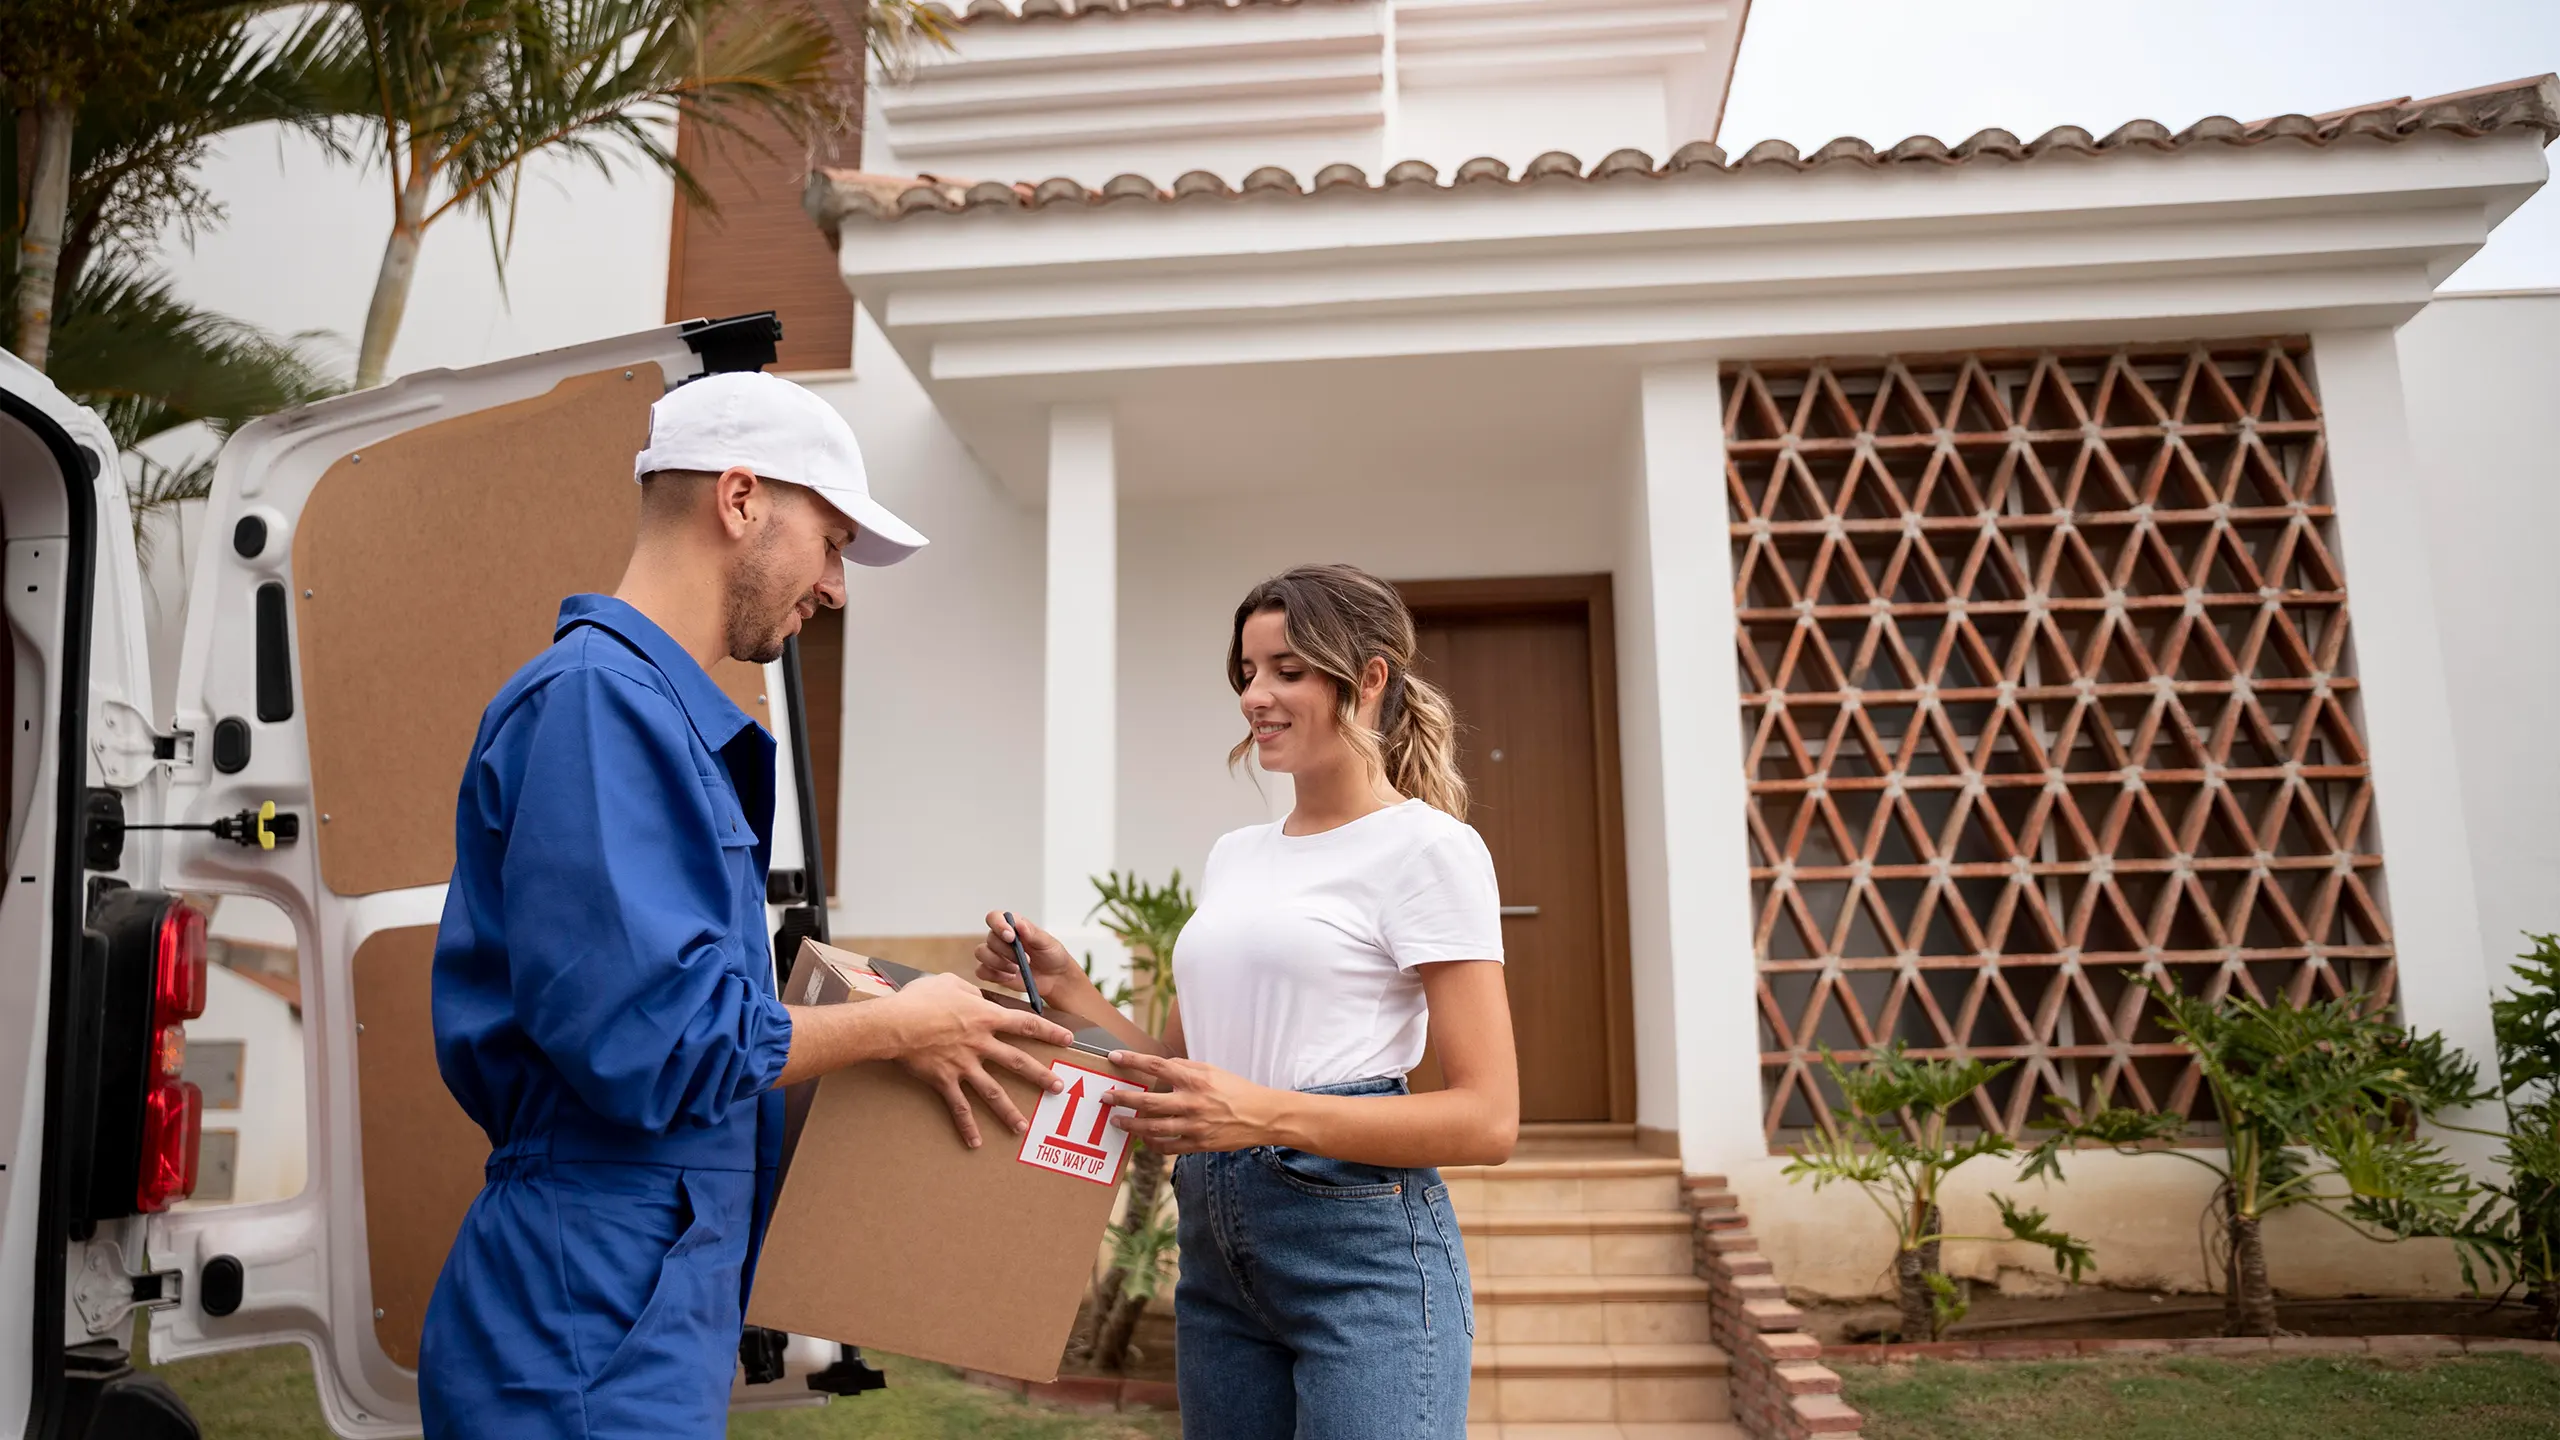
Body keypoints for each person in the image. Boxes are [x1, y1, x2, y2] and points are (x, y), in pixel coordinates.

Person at [420, 371, 1075, 1440]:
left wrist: (827, 1005)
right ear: (738, 501)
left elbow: (661, 1000)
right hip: (589, 1304)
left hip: (642, 1289)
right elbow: (652, 1042)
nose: (838, 587)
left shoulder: (652, 716)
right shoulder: (595, 705)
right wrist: (892, 1025)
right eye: (830, 541)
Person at [979, 563, 1519, 1440]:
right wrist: (1069, 986)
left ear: (1369, 679)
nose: (1254, 696)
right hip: (1217, 1261)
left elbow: (1488, 1120)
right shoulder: (1238, 855)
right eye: (1247, 672)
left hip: (1360, 1259)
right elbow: (1179, 1073)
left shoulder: (1429, 851)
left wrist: (1262, 1114)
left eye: (1287, 671)